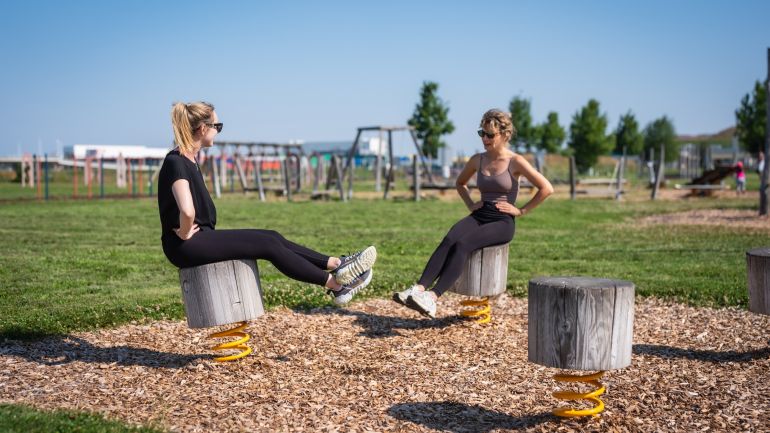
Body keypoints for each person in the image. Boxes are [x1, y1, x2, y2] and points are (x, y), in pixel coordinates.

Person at [158, 101, 376, 305]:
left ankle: (337, 264)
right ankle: (337, 286)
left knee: (272, 236)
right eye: (218, 126)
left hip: (198, 239)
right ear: (203, 129)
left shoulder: (188, 159)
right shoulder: (176, 161)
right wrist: (186, 232)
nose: (219, 131)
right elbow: (187, 210)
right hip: (184, 246)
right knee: (268, 246)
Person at [392, 109, 553, 318]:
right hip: (480, 214)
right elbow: (460, 183)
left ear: (504, 135)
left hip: (502, 221)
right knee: (450, 238)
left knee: (463, 244)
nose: (485, 139)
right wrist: (470, 204)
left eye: (490, 135)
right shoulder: (478, 159)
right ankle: (418, 290)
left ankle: (432, 298)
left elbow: (546, 188)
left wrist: (521, 210)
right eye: (481, 133)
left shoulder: (516, 161)